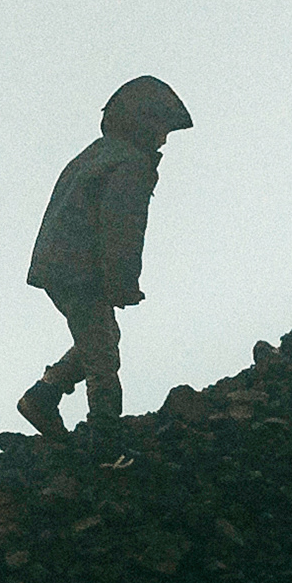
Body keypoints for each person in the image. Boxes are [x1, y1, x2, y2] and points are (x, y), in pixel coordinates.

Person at [19, 74, 192, 444]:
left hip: (57, 265)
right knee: (102, 355)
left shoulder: (96, 154)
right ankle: (105, 439)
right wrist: (122, 282)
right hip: (80, 271)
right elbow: (121, 228)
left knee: (100, 336)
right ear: (143, 123)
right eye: (162, 129)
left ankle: (44, 395)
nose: (163, 140)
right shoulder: (131, 163)